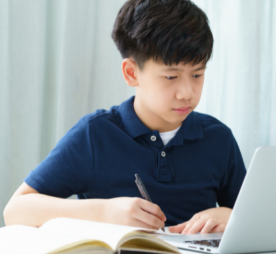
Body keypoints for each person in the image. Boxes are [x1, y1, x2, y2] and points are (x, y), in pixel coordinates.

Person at [3, 0, 246, 235]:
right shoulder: (95, 134)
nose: (187, 93)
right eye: (171, 77)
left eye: (197, 75)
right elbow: (15, 210)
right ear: (131, 73)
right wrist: (104, 211)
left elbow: (253, 220)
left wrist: (229, 216)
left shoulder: (219, 138)